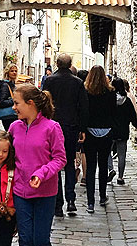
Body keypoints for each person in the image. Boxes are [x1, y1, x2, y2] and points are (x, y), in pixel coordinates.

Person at [0, 83, 66, 246]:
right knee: (25, 242)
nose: (13, 107)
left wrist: (41, 174)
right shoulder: (15, 127)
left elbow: (60, 159)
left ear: (30, 103)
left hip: (45, 193)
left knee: (40, 240)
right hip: (20, 192)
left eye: (17, 103)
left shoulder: (52, 128)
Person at [42, 53, 88, 217]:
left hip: (52, 127)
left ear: (57, 63)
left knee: (54, 163)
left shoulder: (49, 81)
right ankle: (71, 200)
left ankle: (57, 204)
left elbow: (44, 103)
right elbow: (83, 107)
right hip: (70, 127)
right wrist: (82, 129)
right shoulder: (77, 82)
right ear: (70, 65)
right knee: (69, 163)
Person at [83, 65, 117, 213]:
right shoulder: (110, 93)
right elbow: (113, 113)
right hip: (106, 132)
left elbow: (84, 112)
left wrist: (82, 129)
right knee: (103, 166)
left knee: (91, 167)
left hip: (90, 132)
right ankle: (102, 196)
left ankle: (90, 202)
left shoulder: (86, 92)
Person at [108, 77, 137, 185]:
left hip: (111, 130)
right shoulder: (127, 101)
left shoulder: (110, 100)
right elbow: (132, 115)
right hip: (123, 130)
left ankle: (111, 169)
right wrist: (135, 124)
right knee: (122, 155)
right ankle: (120, 177)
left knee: (107, 152)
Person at [75, 70, 89, 186]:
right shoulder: (87, 90)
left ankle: (75, 168)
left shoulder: (75, 88)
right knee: (84, 151)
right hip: (84, 124)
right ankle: (84, 176)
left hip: (74, 123)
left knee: (75, 149)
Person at [0, 64, 18, 131]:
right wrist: (14, 100)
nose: (14, 72)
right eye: (12, 71)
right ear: (7, 73)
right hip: (9, 117)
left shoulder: (12, 84)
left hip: (12, 116)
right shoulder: (5, 85)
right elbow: (1, 102)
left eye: (15, 71)